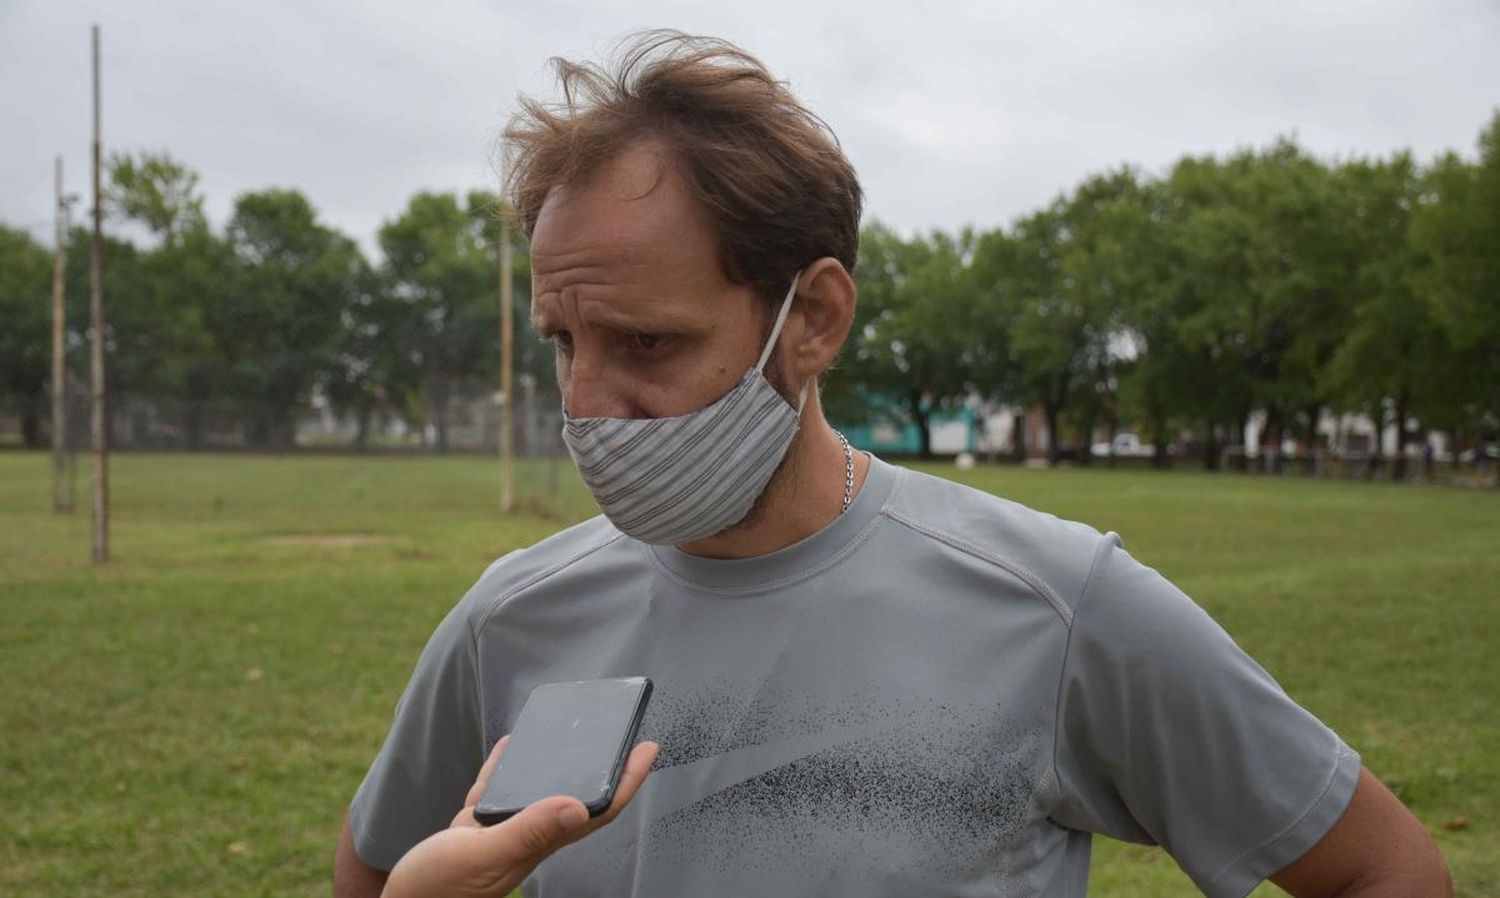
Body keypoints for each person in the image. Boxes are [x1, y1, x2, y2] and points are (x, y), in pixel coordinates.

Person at [335, 31, 1451, 898]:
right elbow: (380, 871)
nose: (585, 407)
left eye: (648, 343)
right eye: (564, 343)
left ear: (813, 318)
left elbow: (1383, 867)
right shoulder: (511, 619)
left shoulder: (1053, 605)